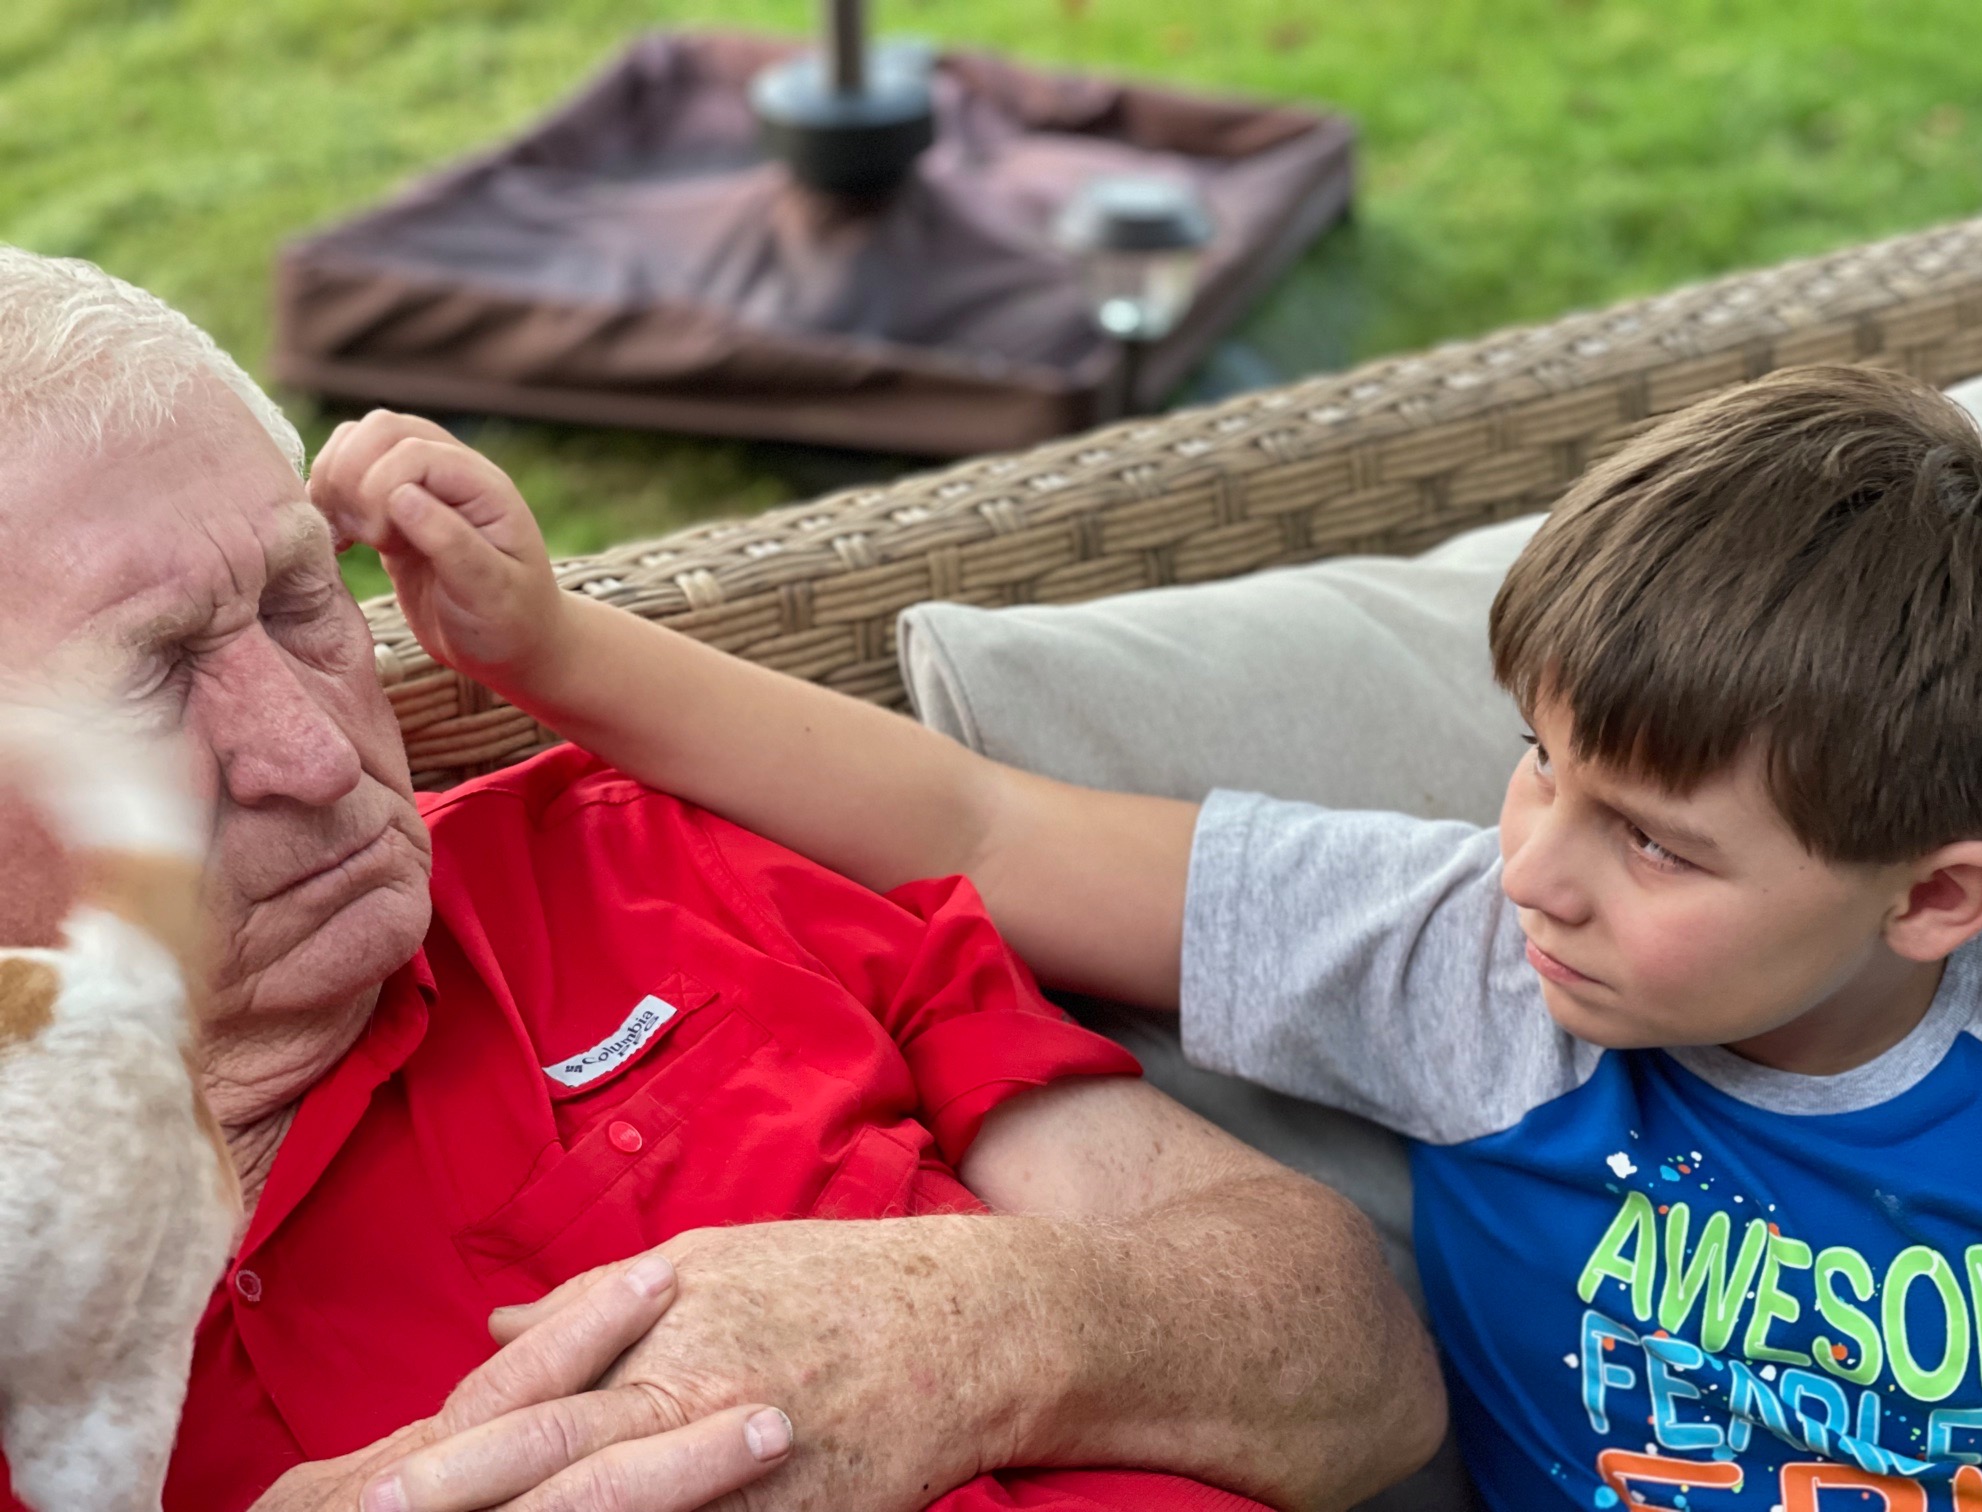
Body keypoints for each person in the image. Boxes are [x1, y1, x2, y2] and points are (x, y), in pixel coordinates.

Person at [349, 357, 1982, 1510]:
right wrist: (546, 646)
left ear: (1937, 898)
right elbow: (976, 827)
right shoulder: (1461, 968)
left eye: (1654, 844)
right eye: (1539, 761)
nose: (1534, 870)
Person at [0, 248, 1444, 1512]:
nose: (317, 753)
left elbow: (1362, 1357)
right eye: (154, 679)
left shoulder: (646, 860)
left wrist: (971, 1328)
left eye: (298, 600)